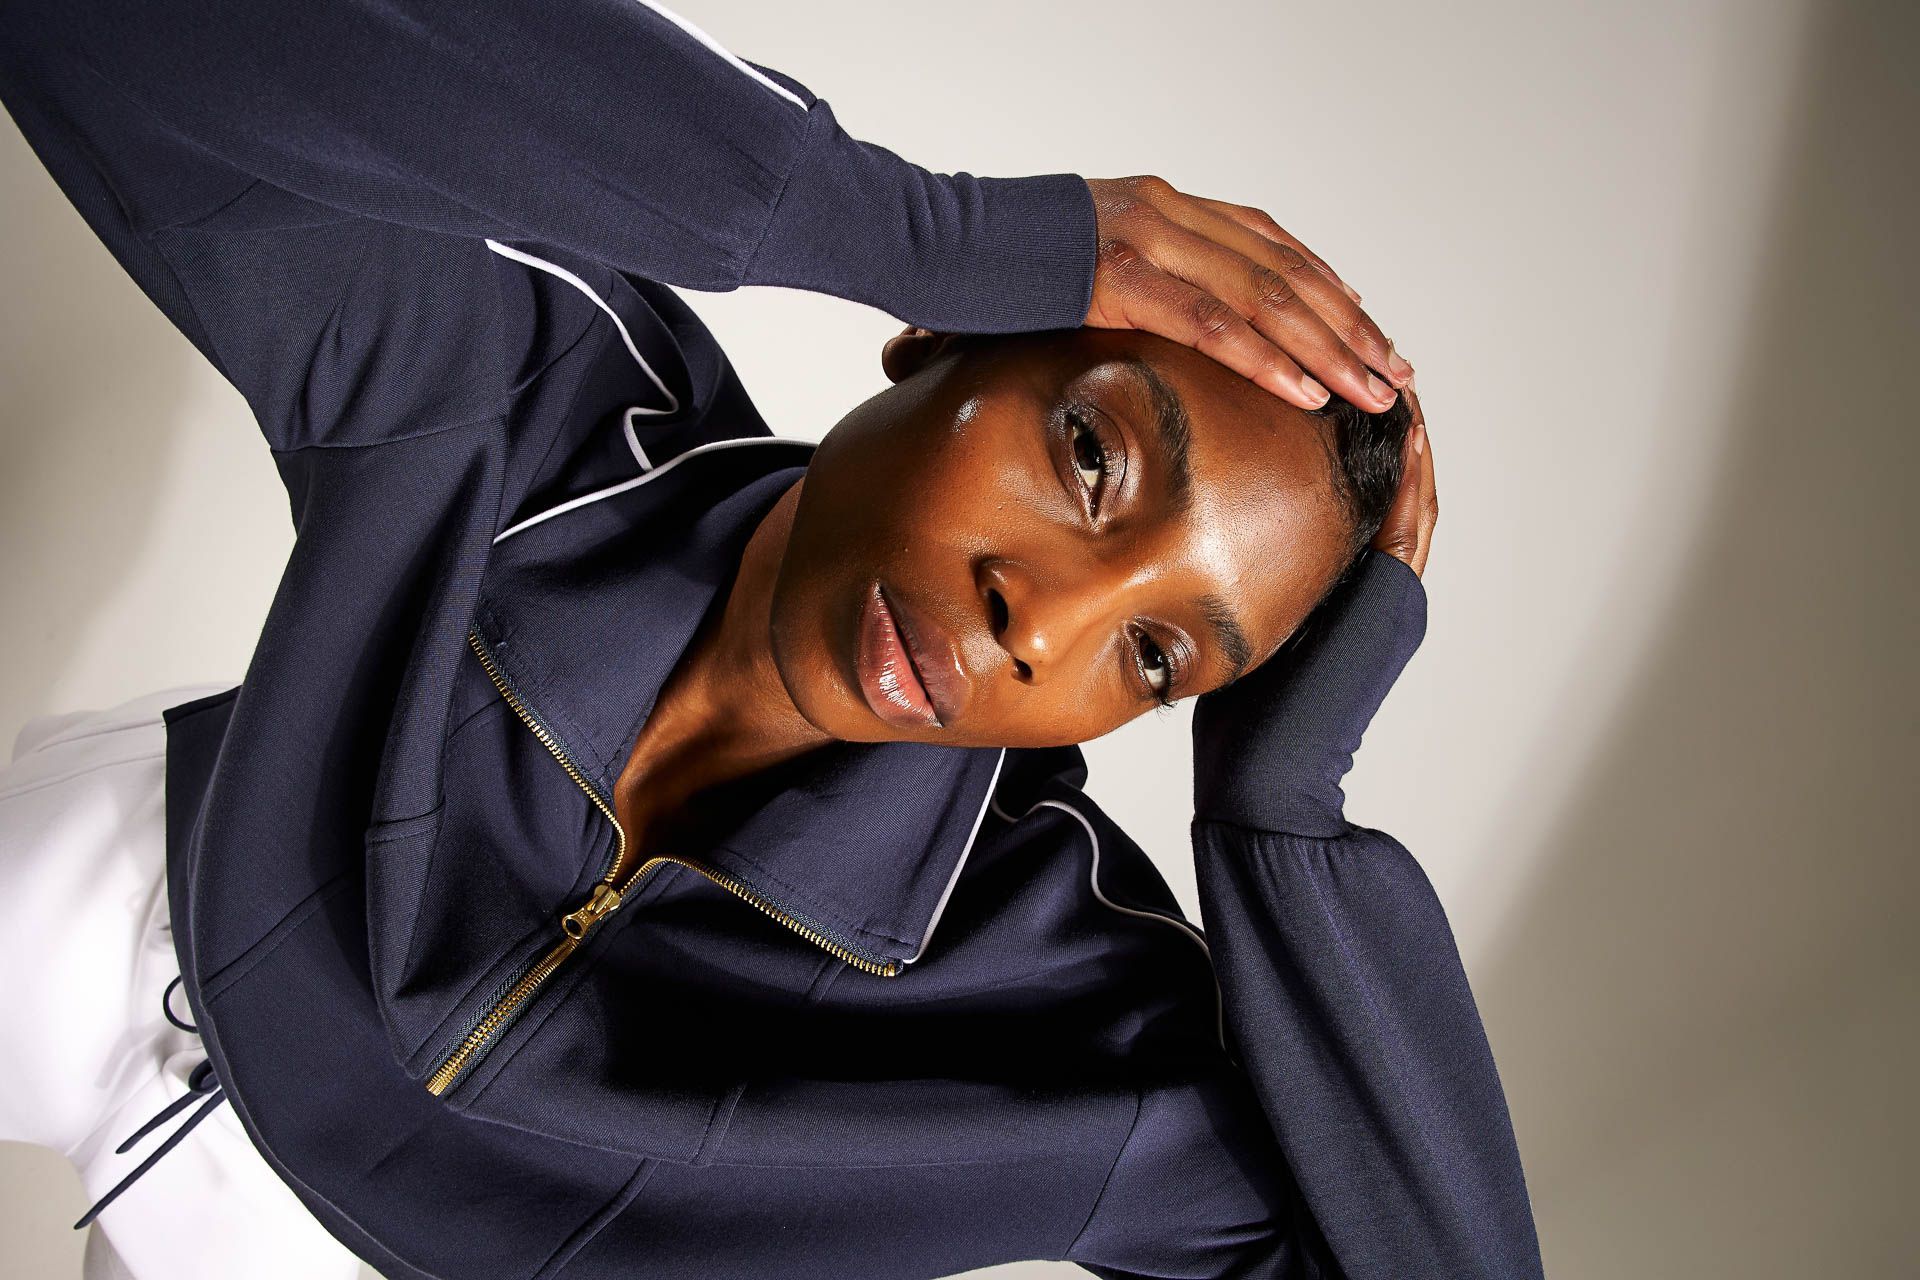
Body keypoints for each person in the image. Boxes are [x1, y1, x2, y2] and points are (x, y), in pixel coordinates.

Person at [0, 1, 1542, 1277]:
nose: (1041, 628)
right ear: (942, 341)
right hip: (132, 902)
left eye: (1158, 659)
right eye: (1091, 458)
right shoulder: (551, 408)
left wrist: (1284, 823)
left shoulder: (1067, 1001)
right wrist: (904, 221)